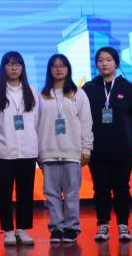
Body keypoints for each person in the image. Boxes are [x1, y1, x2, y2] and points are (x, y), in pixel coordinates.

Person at [82, 46, 132, 243]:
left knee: (121, 187)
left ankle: (123, 225)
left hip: (123, 149)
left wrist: (123, 131)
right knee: (100, 188)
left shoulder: (128, 88)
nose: (104, 64)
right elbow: (81, 116)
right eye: (100, 60)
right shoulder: (89, 89)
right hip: (97, 149)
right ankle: (103, 224)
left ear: (116, 63)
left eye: (108, 60)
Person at [36, 53, 93, 243]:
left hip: (72, 152)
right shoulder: (41, 95)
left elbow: (86, 122)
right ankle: (56, 228)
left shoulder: (78, 93)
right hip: (48, 150)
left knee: (72, 194)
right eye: (55, 66)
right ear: (49, 70)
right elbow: (35, 125)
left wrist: (86, 148)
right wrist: (37, 151)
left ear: (68, 69)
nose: (59, 69)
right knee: (51, 194)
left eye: (62, 65)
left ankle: (71, 228)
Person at [0, 51, 40, 246]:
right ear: (4, 68)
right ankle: (8, 230)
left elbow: (37, 120)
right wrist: (2, 136)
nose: (14, 67)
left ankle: (23, 229)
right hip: (4, 150)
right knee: (5, 193)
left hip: (27, 150)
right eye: (10, 64)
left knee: (25, 192)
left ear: (23, 67)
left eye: (18, 64)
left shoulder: (31, 91)